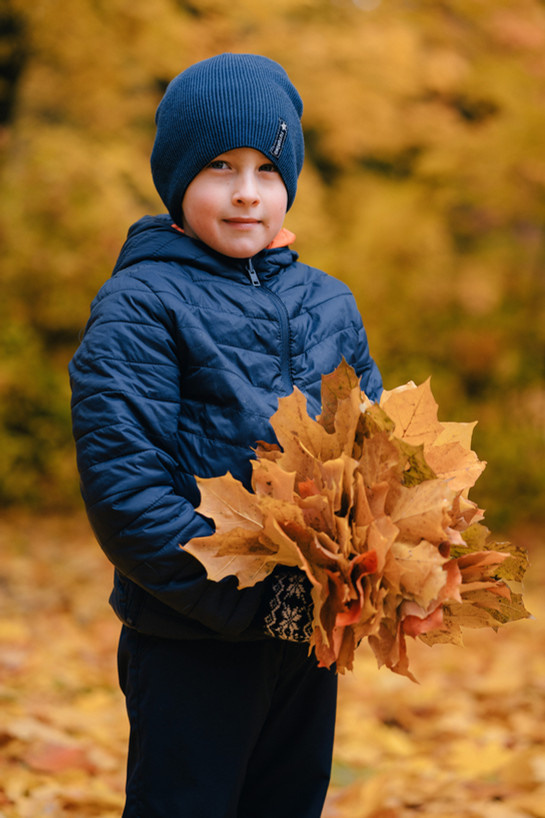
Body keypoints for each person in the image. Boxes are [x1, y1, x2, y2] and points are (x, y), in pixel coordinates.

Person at [69, 52, 382, 818]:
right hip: (191, 641)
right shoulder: (141, 304)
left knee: (288, 801)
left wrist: (372, 568)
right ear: (177, 180)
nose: (246, 192)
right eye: (218, 166)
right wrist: (256, 601)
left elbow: (377, 454)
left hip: (306, 636)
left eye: (266, 170)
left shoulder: (327, 301)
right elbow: (127, 492)